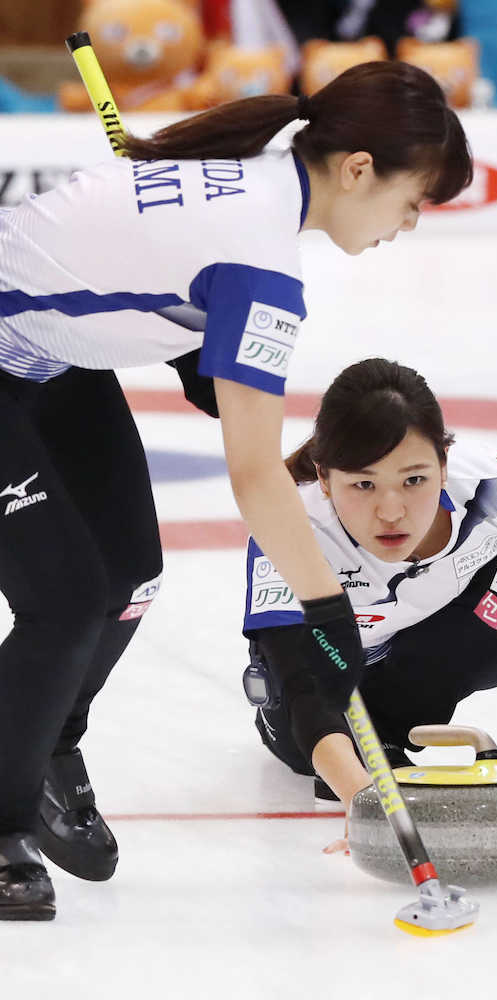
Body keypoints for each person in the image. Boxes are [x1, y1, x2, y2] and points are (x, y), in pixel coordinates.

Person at [0, 61, 472, 921]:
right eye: (413, 201)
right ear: (357, 168)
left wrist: (187, 346)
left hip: (47, 354)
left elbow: (127, 254)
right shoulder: (261, 262)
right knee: (65, 600)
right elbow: (255, 478)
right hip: (15, 350)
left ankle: (44, 747)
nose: (409, 225)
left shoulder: (257, 177)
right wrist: (330, 612)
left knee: (129, 576)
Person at [242, 356, 497, 850]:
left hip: (408, 659)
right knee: (304, 698)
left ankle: (392, 732)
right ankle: (358, 760)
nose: (391, 511)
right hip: (310, 706)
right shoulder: (290, 522)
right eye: (363, 484)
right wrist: (364, 802)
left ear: (443, 464)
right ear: (325, 478)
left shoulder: (488, 484)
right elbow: (303, 684)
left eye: (414, 480)